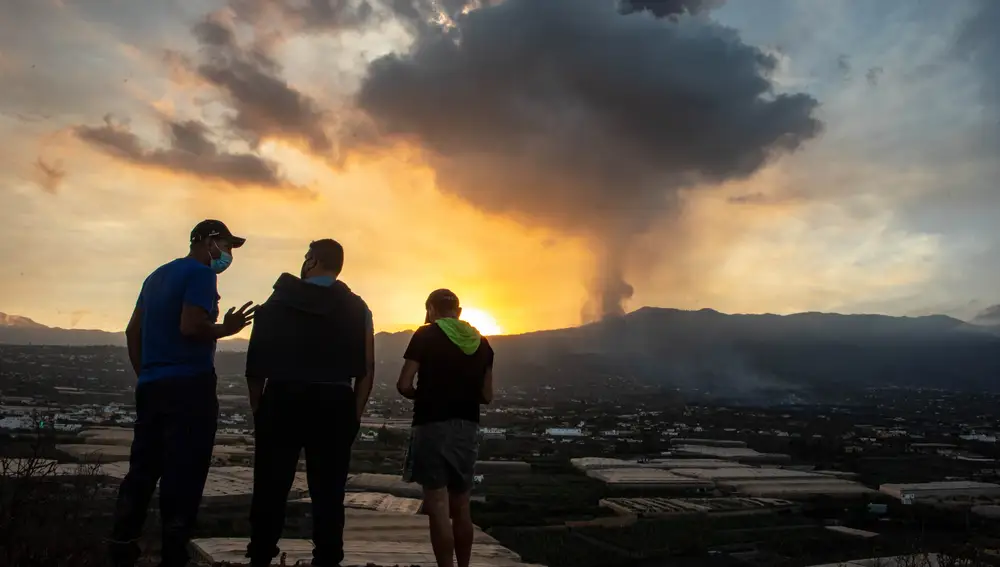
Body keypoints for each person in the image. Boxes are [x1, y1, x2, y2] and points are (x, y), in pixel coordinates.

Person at [109, 220, 257, 567]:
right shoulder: (202, 274)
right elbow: (190, 326)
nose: (228, 254)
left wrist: (146, 374)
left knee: (142, 472)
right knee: (184, 474)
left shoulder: (156, 277)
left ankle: (121, 546)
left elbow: (133, 332)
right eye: (226, 244)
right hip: (190, 387)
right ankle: (173, 556)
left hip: (153, 387)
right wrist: (227, 329)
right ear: (207, 241)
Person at [243, 239, 375, 567]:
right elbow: (367, 369)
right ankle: (328, 558)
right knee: (329, 491)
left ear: (313, 261)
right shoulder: (358, 308)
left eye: (306, 258)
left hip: (282, 399)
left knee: (271, 487)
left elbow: (256, 363)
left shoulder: (277, 301)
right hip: (334, 402)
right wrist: (354, 413)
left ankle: (260, 555)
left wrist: (258, 407)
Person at [396, 289, 495, 567]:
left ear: (430, 309)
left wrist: (424, 394)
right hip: (467, 428)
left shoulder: (425, 335)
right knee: (462, 506)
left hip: (432, 425)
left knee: (438, 507)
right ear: (459, 311)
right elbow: (487, 396)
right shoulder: (482, 342)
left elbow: (404, 383)